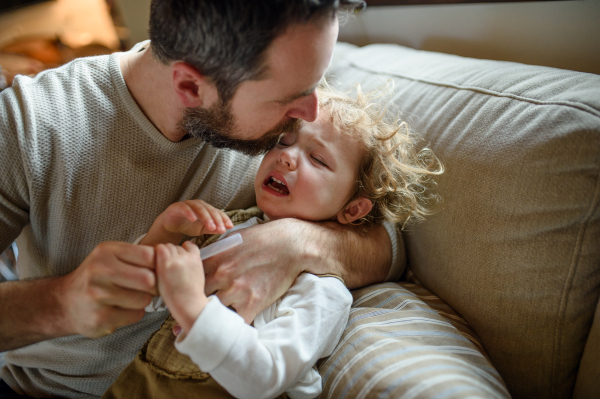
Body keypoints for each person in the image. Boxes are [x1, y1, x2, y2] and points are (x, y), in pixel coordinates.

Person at [0, 1, 404, 398]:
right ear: (191, 86)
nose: (309, 112)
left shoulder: (279, 136)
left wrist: (298, 244)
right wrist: (61, 302)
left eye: (315, 84)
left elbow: (389, 241)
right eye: (290, 97)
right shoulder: (27, 123)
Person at [103, 85, 443, 399]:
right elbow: (147, 298)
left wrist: (193, 306)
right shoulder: (227, 225)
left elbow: (264, 378)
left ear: (353, 209)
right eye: (284, 141)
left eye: (318, 159)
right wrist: (164, 233)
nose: (287, 156)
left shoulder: (321, 290)